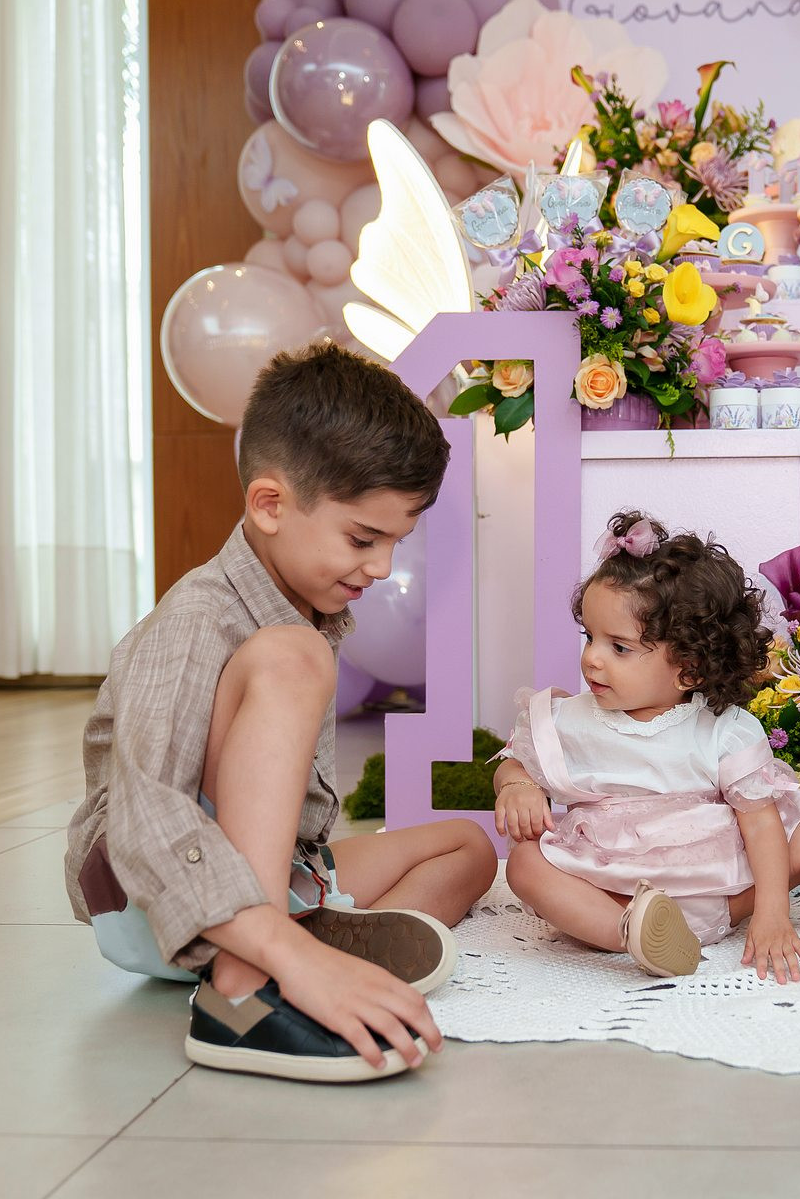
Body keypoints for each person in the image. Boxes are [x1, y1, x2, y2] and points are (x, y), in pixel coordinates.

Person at [65, 344, 498, 1083]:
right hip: (152, 893)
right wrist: (282, 949)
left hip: (278, 871)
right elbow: (143, 819)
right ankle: (243, 987)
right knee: (295, 654)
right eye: (362, 539)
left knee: (468, 846)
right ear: (269, 505)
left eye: (397, 542)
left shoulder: (302, 608)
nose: (383, 567)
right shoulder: (197, 619)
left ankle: (313, 939)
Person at [492, 510, 800, 984]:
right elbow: (517, 761)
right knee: (526, 863)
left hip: (720, 894)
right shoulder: (570, 719)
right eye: (590, 637)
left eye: (619, 647)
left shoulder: (724, 730)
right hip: (613, 896)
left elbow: (759, 824)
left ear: (689, 669)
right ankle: (634, 937)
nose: (592, 657)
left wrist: (772, 911)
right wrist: (517, 785)